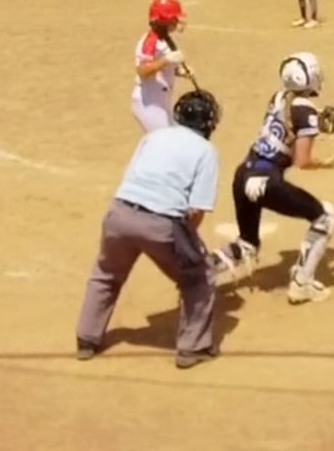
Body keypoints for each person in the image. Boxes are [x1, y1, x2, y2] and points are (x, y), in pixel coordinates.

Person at [75, 88, 224, 369]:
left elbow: (131, 176)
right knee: (200, 277)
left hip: (119, 214)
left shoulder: (154, 136)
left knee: (106, 274)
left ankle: (86, 339)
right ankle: (193, 348)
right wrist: (188, 245)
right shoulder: (206, 152)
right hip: (162, 223)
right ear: (208, 123)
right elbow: (197, 209)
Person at [210, 53, 334, 305]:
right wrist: (324, 162)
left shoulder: (279, 97)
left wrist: (315, 122)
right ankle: (302, 284)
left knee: (248, 242)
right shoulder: (306, 114)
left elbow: (290, 121)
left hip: (244, 174)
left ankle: (201, 269)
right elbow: (302, 160)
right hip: (266, 181)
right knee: (325, 217)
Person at [131, 0, 189, 132]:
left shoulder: (166, 38)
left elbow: (163, 69)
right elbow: (142, 71)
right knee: (166, 140)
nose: (176, 22)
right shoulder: (150, 41)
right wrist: (166, 60)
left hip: (161, 101)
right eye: (173, 19)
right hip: (149, 102)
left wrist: (179, 71)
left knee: (176, 137)